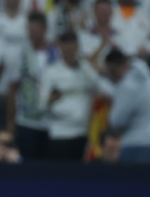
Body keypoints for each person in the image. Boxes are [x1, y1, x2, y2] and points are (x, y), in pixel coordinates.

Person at [40, 31, 103, 162]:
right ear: (60, 48)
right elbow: (40, 103)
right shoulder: (51, 72)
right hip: (59, 134)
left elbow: (99, 87)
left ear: (77, 48)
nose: (69, 53)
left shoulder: (86, 70)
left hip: (82, 134)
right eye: (65, 49)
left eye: (72, 49)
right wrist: (50, 100)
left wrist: (85, 64)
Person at [7, 12, 60, 160]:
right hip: (27, 120)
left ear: (45, 29)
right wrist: (11, 122)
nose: (33, 34)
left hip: (52, 121)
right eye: (30, 30)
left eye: (36, 30)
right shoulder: (21, 54)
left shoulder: (56, 54)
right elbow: (12, 89)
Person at [105, 49, 150, 164]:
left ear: (124, 66)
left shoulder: (128, 86)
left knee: (130, 182)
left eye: (113, 72)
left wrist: (111, 101)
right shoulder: (145, 75)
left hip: (137, 145)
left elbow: (115, 120)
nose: (111, 77)